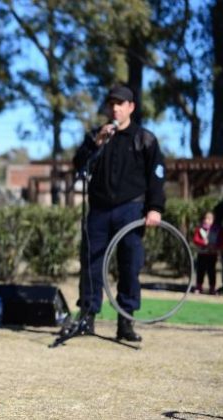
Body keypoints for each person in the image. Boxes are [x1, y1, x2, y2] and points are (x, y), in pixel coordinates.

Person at [73, 85, 166, 342]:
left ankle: (125, 323)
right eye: (112, 103)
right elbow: (77, 163)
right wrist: (95, 142)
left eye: (121, 103)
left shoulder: (144, 138)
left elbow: (156, 176)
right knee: (91, 265)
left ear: (131, 107)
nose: (115, 108)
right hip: (99, 210)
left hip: (131, 209)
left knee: (129, 264)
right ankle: (87, 318)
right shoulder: (98, 136)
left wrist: (155, 208)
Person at [192, 211, 219, 295]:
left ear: (213, 220)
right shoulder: (199, 229)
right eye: (205, 218)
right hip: (202, 254)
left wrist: (214, 246)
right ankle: (199, 287)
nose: (206, 220)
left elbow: (220, 241)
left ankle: (212, 288)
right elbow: (195, 239)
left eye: (209, 219)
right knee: (200, 271)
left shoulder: (216, 230)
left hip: (212, 254)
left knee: (212, 272)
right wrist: (204, 243)